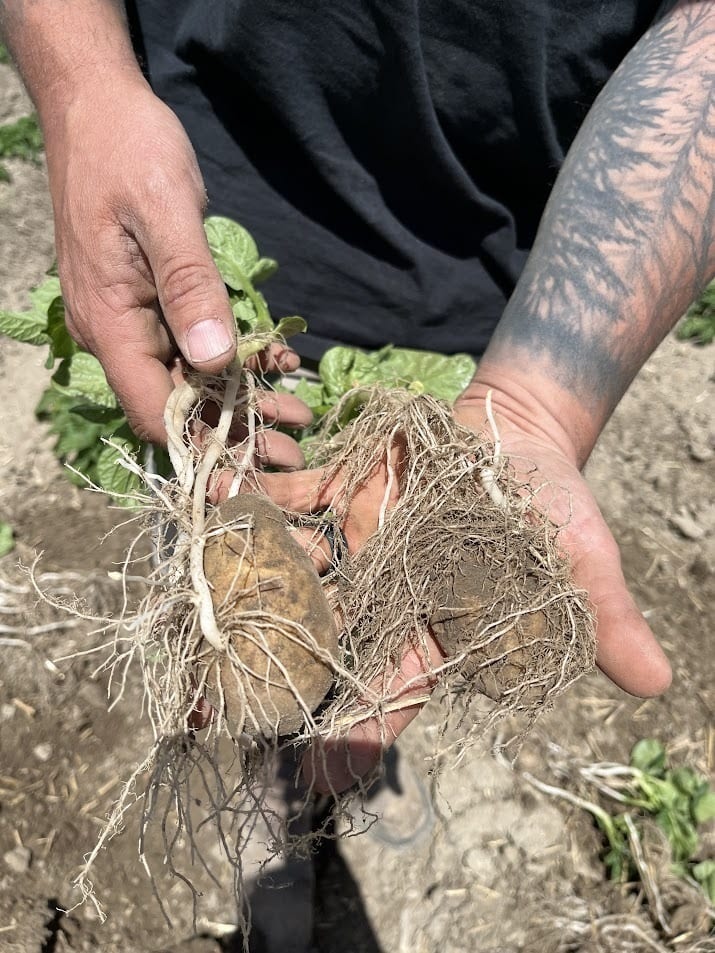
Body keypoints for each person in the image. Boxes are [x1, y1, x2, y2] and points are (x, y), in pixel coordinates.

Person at [2, 0, 709, 791]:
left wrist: (540, 396)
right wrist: (83, 87)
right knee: (223, 516)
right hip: (207, 190)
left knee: (372, 605)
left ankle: (301, 783)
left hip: (506, 264)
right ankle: (271, 783)